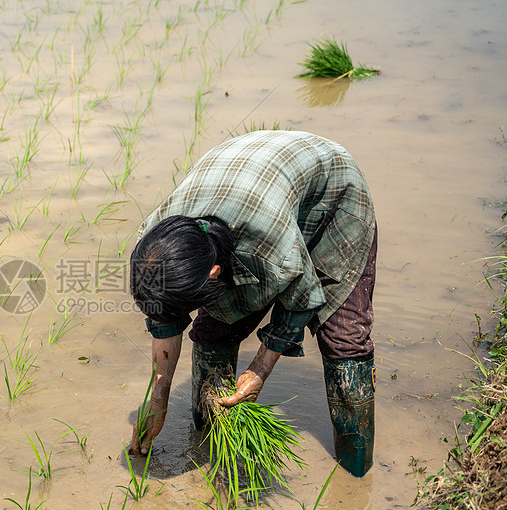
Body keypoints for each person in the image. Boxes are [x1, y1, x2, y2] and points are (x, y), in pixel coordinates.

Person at [128, 130, 377, 477]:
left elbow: (301, 299)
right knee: (214, 331)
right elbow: (165, 317)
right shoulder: (153, 246)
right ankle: (209, 446)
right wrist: (159, 397)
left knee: (343, 340)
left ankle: (355, 472)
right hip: (251, 181)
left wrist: (259, 369)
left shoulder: (269, 242)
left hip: (331, 196)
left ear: (214, 272)